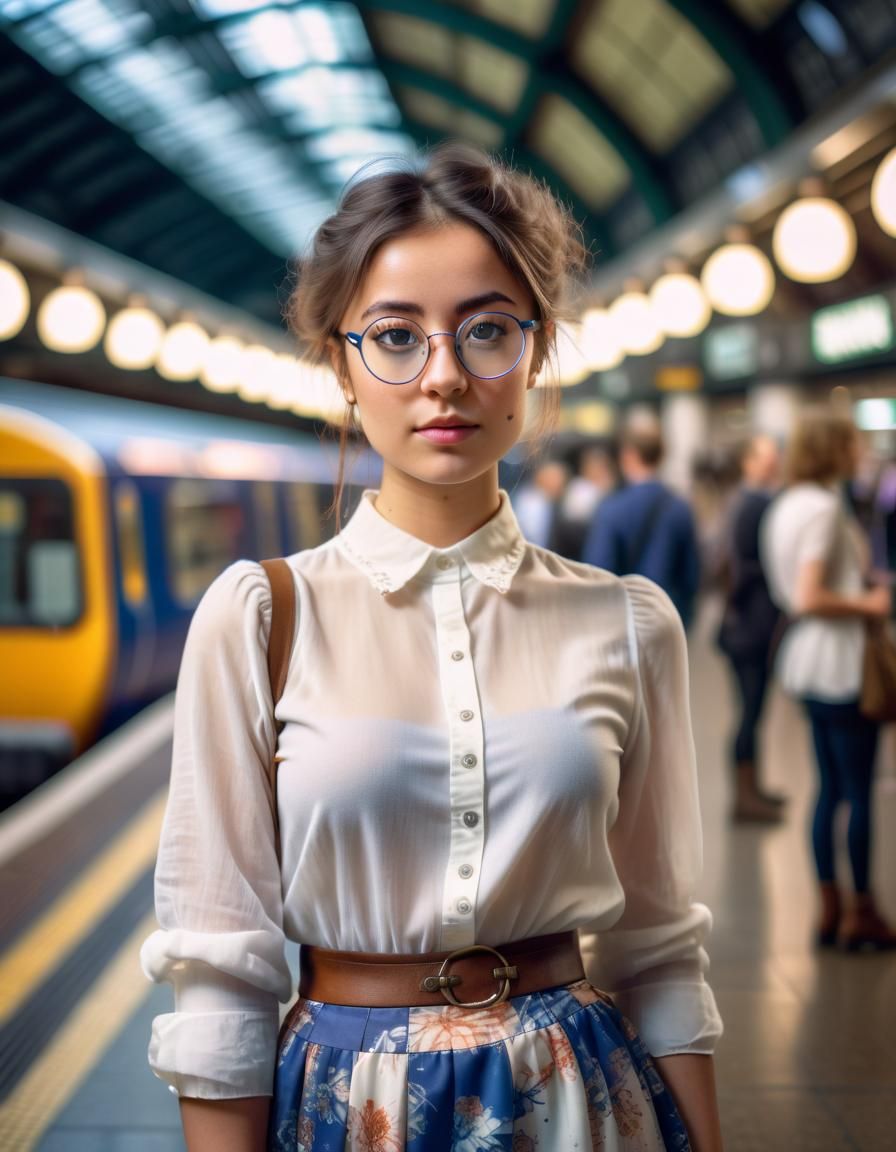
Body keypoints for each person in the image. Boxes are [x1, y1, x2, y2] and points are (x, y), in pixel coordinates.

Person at [141, 144, 724, 1152]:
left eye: (487, 329)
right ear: (341, 364)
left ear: (535, 351)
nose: (444, 376)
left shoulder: (629, 623)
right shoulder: (259, 617)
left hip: (581, 1100)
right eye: (395, 337)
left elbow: (658, 950)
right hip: (343, 1107)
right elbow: (222, 971)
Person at [762, 409, 896, 952]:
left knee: (828, 788)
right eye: (851, 443)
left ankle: (829, 906)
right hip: (840, 660)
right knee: (857, 790)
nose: (858, 452)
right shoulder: (822, 507)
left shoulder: (786, 503)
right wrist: (871, 602)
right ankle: (862, 910)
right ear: (832, 449)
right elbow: (810, 594)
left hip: (807, 659)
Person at [716, 434, 787, 824]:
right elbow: (743, 567)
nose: (773, 461)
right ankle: (744, 797)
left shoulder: (746, 500)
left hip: (748, 623)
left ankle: (753, 788)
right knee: (749, 711)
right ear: (747, 461)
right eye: (764, 455)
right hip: (749, 627)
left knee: (754, 711)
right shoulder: (752, 503)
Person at [583, 424, 701, 630]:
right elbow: (691, 576)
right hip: (669, 620)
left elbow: (598, 573)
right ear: (661, 455)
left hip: (624, 622)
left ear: (628, 455)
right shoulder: (680, 507)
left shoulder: (611, 508)